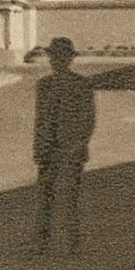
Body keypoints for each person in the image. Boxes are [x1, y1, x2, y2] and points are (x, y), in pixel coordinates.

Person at [32, 37, 96, 255]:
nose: (55, 60)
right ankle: (43, 241)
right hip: (49, 149)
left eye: (59, 56)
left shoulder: (83, 85)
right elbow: (39, 120)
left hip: (71, 149)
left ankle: (73, 241)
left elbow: (88, 119)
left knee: (70, 197)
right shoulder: (44, 85)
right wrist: (39, 148)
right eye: (52, 56)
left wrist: (79, 144)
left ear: (69, 58)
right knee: (46, 196)